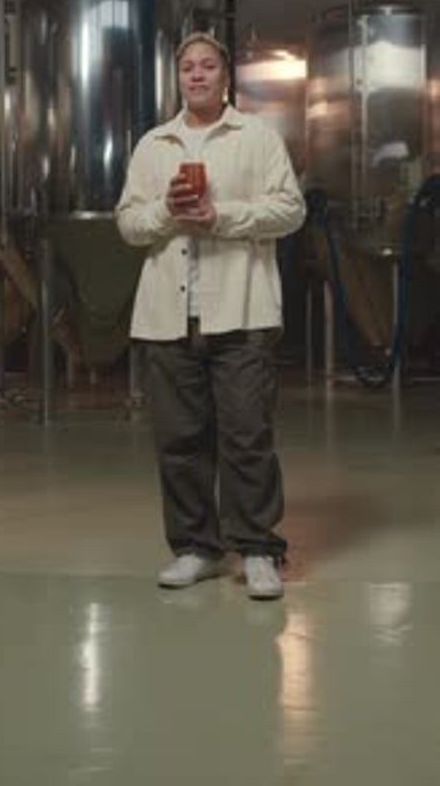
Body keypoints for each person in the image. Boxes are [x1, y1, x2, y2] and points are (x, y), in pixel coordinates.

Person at [115, 32, 306, 599]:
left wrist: (220, 215)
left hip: (241, 310)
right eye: (187, 68)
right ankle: (196, 547)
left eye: (207, 66)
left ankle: (257, 549)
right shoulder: (154, 144)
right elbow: (128, 223)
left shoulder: (257, 137)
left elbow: (290, 209)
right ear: (178, 79)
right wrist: (171, 215)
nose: (196, 76)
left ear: (225, 77)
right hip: (166, 317)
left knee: (247, 435)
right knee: (178, 439)